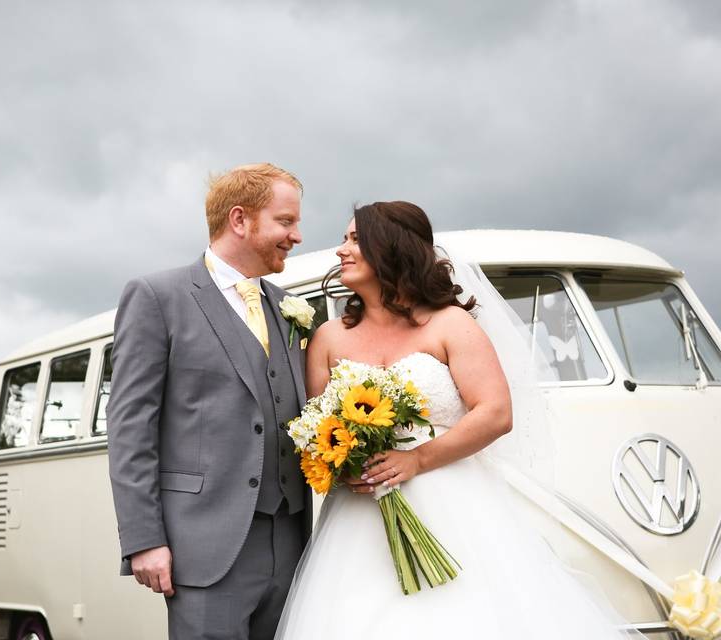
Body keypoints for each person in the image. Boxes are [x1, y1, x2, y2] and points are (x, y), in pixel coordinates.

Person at [275, 201, 632, 638]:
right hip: (359, 520)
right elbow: (321, 428)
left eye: (354, 239)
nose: (341, 251)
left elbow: (496, 412)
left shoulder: (449, 325)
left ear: (389, 248)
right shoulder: (328, 338)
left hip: (455, 506)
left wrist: (418, 460)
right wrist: (348, 468)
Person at [108, 163, 313, 640]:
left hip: (292, 541)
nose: (296, 235)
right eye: (285, 222)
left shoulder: (287, 308)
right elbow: (130, 429)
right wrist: (144, 540)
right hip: (202, 546)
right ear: (239, 220)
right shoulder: (157, 297)